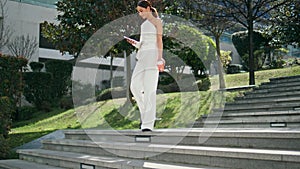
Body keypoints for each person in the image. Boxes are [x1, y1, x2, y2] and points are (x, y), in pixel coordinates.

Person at [126, 0, 165, 132]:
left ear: (148, 8)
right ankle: (146, 114)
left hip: (153, 58)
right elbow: (143, 43)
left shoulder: (157, 22)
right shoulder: (144, 25)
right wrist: (135, 43)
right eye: (138, 12)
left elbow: (159, 41)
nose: (140, 13)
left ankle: (148, 124)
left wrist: (160, 59)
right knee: (134, 87)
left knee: (149, 91)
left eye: (141, 11)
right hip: (142, 58)